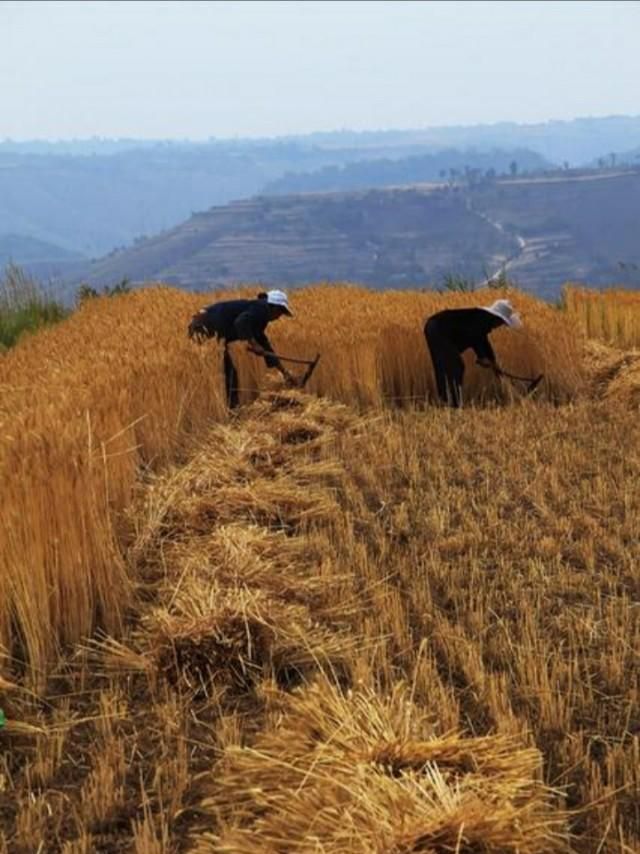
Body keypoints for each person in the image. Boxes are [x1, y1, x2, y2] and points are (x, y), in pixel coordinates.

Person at [188, 289, 294, 408]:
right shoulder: (260, 309)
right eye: (280, 313)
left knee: (226, 372)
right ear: (274, 307)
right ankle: (232, 410)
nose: (278, 317)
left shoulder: (260, 314)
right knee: (228, 373)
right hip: (203, 329)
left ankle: (231, 408)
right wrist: (253, 344)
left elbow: (264, 344)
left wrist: (284, 372)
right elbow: (241, 322)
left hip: (207, 332)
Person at [424, 299, 522, 407]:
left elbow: (483, 341)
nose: (500, 326)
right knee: (455, 366)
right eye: (501, 323)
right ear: (497, 318)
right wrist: (482, 357)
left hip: (436, 328)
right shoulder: (482, 319)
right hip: (437, 329)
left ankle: (448, 401)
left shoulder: (484, 319)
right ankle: (452, 403)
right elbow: (476, 338)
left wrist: (492, 361)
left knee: (448, 366)